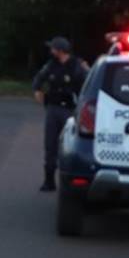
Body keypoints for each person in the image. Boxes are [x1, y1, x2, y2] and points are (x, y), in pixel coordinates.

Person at [32, 36, 90, 192]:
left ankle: (71, 181)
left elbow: (88, 86)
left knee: (70, 145)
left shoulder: (77, 66)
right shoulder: (52, 65)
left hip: (70, 111)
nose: (51, 50)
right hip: (53, 108)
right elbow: (39, 77)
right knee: (50, 144)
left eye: (53, 48)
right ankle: (49, 181)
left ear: (60, 50)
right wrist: (37, 89)